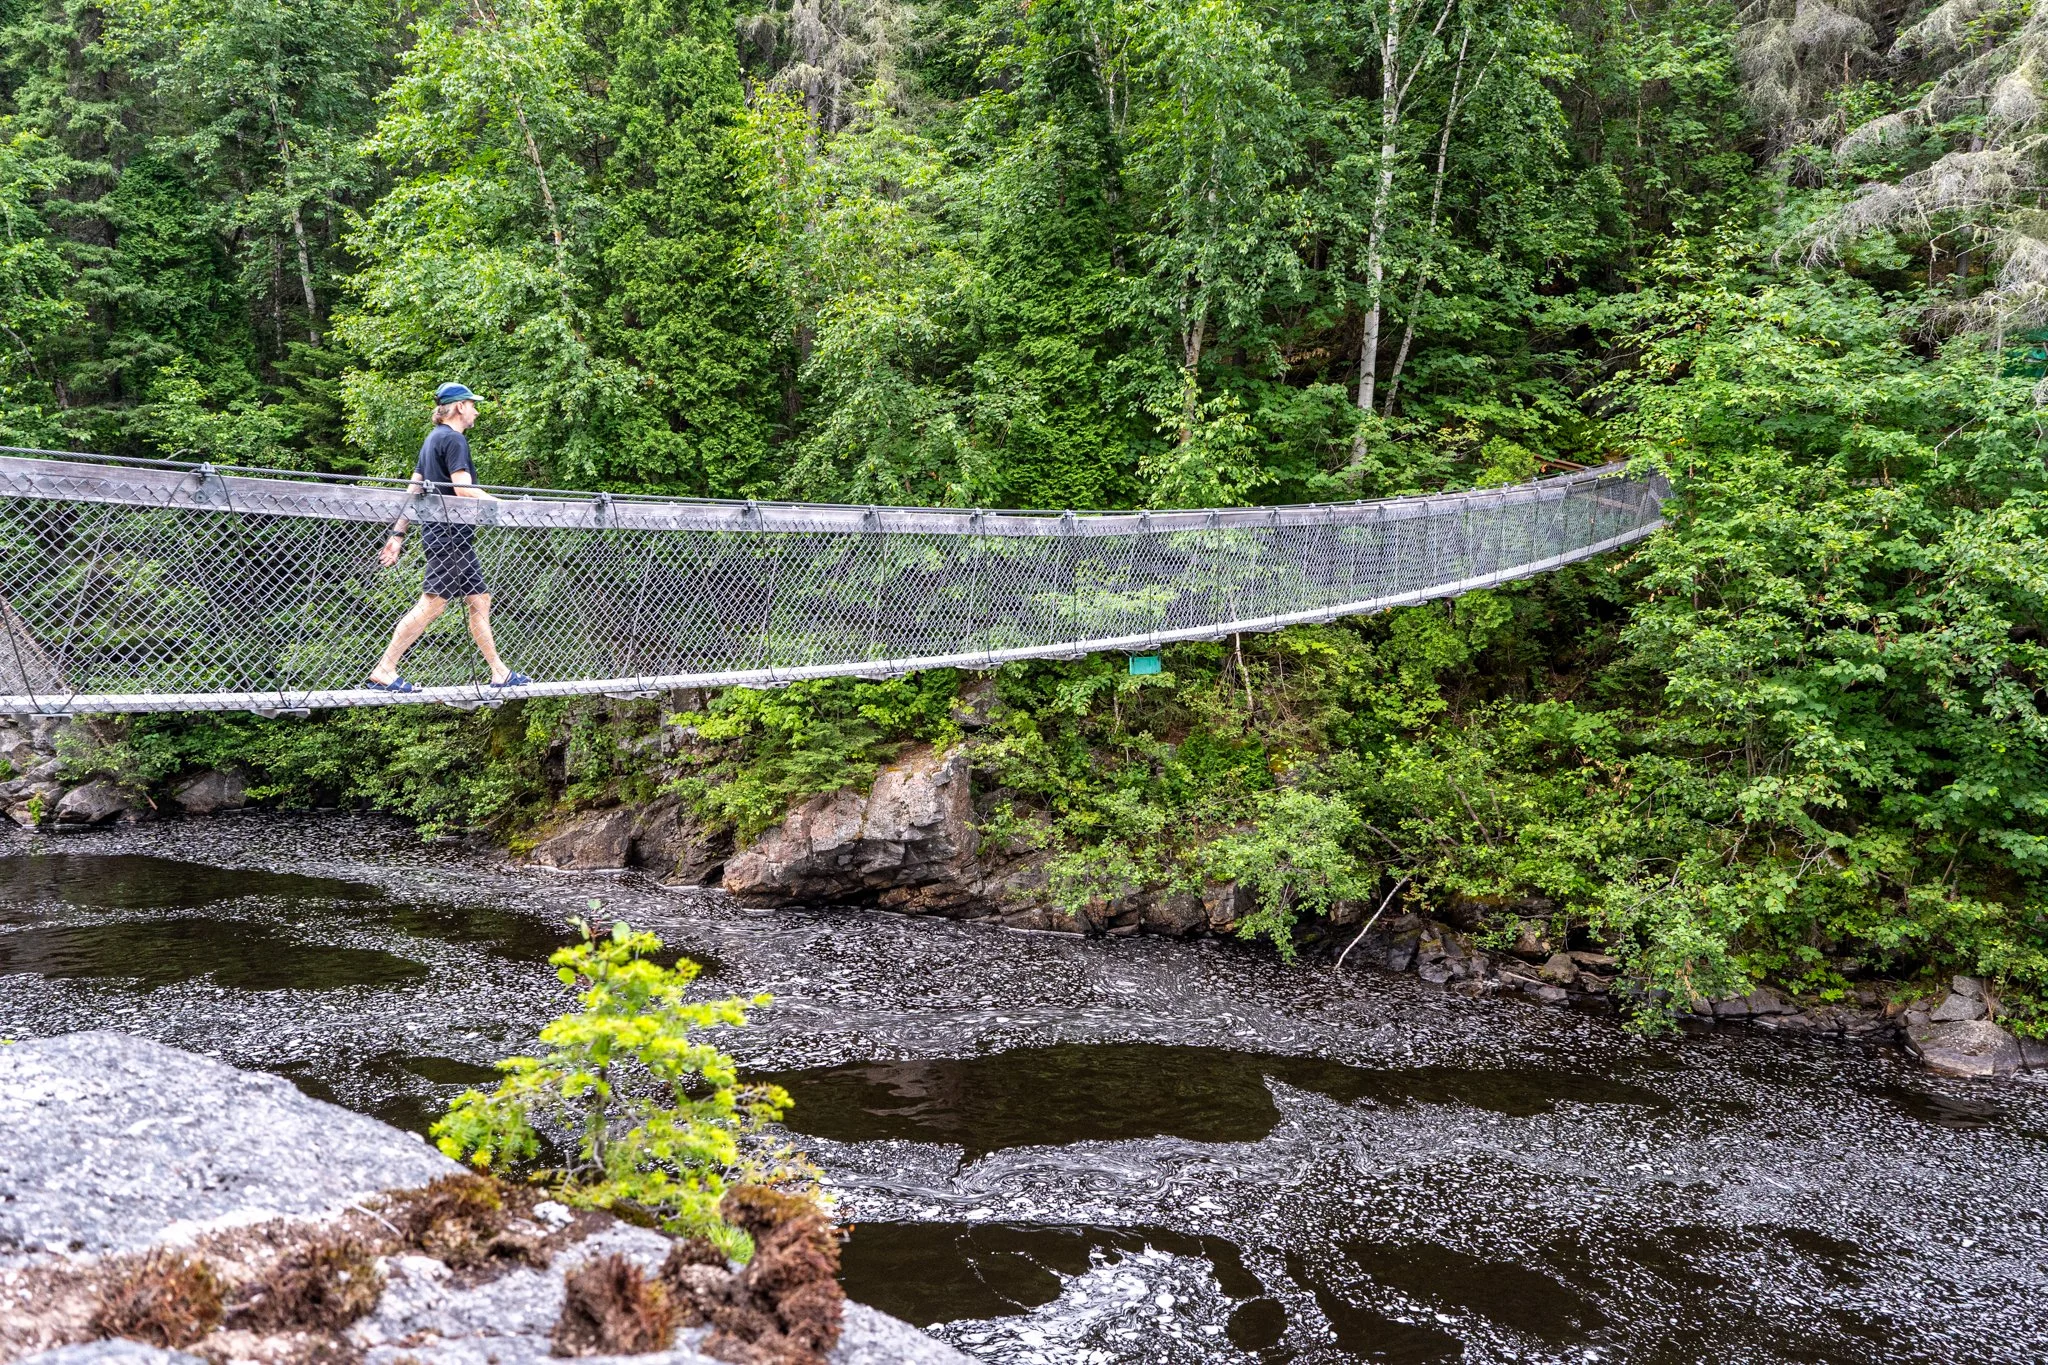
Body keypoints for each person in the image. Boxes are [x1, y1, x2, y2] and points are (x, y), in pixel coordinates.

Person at [366, 383, 532, 692]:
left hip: (452, 538)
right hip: (449, 537)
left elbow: (413, 489)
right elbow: (463, 490)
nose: (476, 411)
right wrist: (505, 506)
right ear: (458, 408)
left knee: (480, 600)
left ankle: (499, 672)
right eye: (472, 404)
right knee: (432, 605)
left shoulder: (432, 440)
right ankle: (385, 669)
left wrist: (397, 533)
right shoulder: (454, 440)